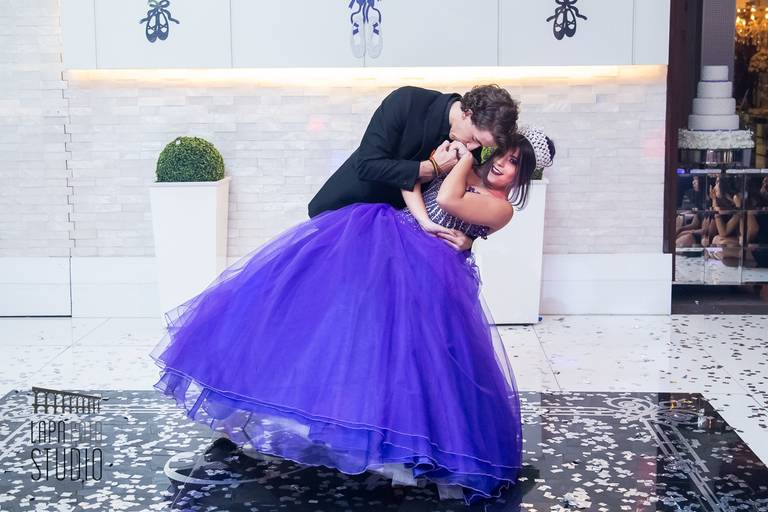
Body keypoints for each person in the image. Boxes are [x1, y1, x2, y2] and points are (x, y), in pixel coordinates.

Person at [150, 126, 555, 505]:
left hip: (430, 272)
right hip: (393, 240)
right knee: (341, 333)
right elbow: (410, 180)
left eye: (514, 163)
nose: (502, 164)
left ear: (522, 176)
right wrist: (423, 215)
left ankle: (403, 444)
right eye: (503, 154)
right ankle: (318, 416)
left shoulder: (501, 207)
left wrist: (463, 159)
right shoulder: (460, 164)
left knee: (411, 360)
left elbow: (449, 198)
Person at [308, 84, 519, 251]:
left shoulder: (469, 147)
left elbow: (465, 201)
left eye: (481, 145)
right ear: (467, 113)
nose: (473, 148)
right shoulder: (407, 101)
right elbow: (366, 165)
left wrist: (469, 239)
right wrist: (432, 167)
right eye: (475, 139)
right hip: (346, 213)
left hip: (397, 236)